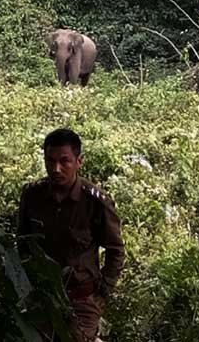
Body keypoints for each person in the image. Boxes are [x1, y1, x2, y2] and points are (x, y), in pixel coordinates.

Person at [17, 128, 125, 342]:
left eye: (64, 161)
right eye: (50, 161)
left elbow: (116, 250)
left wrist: (102, 293)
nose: (56, 169)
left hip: (82, 299)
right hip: (42, 298)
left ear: (79, 161)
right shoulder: (32, 195)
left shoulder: (95, 201)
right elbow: (22, 243)